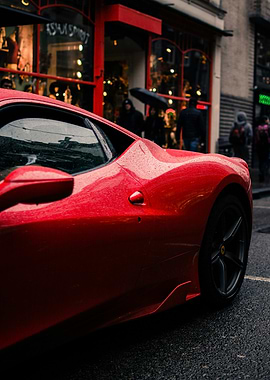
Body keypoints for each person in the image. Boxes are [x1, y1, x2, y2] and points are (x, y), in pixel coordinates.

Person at [255, 115, 270, 182]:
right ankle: (265, 173)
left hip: (259, 147)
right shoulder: (268, 127)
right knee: (266, 160)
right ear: (265, 120)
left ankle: (261, 174)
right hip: (267, 146)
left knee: (261, 160)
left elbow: (255, 138)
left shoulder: (258, 128)